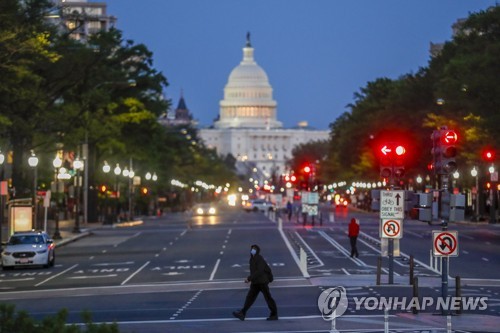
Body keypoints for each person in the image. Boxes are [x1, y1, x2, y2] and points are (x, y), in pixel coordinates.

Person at [233, 244, 278, 321]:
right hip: (256, 282)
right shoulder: (252, 259)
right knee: (250, 298)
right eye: (252, 249)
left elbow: (259, 271)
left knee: (268, 298)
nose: (252, 250)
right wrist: (251, 279)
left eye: (254, 249)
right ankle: (242, 313)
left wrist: (249, 278)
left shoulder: (259, 258)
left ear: (257, 251)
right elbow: (255, 271)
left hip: (262, 282)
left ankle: (274, 314)